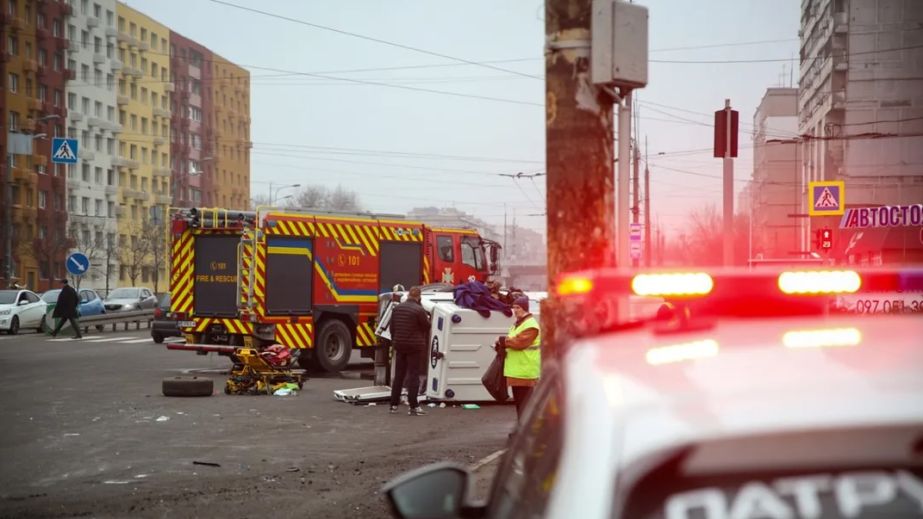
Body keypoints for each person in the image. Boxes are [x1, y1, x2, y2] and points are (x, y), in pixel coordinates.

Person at [389, 286, 431, 416]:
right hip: (414, 347)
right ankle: (413, 406)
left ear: (408, 296)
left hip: (400, 345)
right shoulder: (419, 310)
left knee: (399, 376)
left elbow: (392, 328)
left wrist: (396, 340)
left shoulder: (397, 309)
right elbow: (427, 326)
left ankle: (393, 405)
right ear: (419, 297)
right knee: (413, 376)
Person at [499, 295, 541, 420]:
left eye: (518, 307)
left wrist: (501, 341)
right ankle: (523, 429)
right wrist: (501, 344)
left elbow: (519, 343)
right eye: (514, 307)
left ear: (525, 308)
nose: (515, 310)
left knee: (524, 404)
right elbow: (513, 340)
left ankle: (526, 432)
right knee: (521, 403)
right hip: (518, 370)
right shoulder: (518, 324)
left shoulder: (530, 325)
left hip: (525, 370)